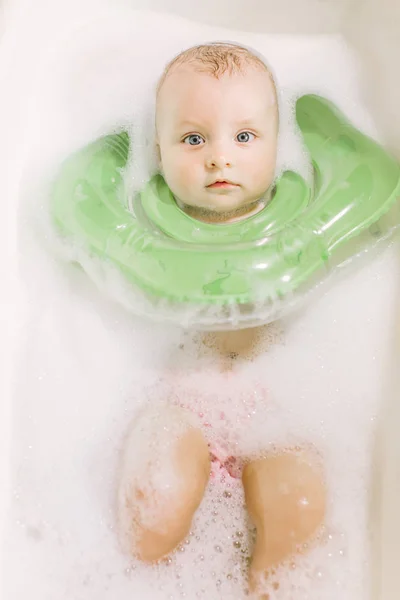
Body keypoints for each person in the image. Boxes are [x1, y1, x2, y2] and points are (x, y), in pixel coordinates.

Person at [118, 42, 326, 597]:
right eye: (193, 139)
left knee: (298, 512)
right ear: (157, 152)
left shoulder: (302, 224)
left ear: (278, 146)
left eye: (244, 136)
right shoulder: (142, 228)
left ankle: (268, 583)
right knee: (153, 517)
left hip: (275, 403)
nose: (219, 157)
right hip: (179, 400)